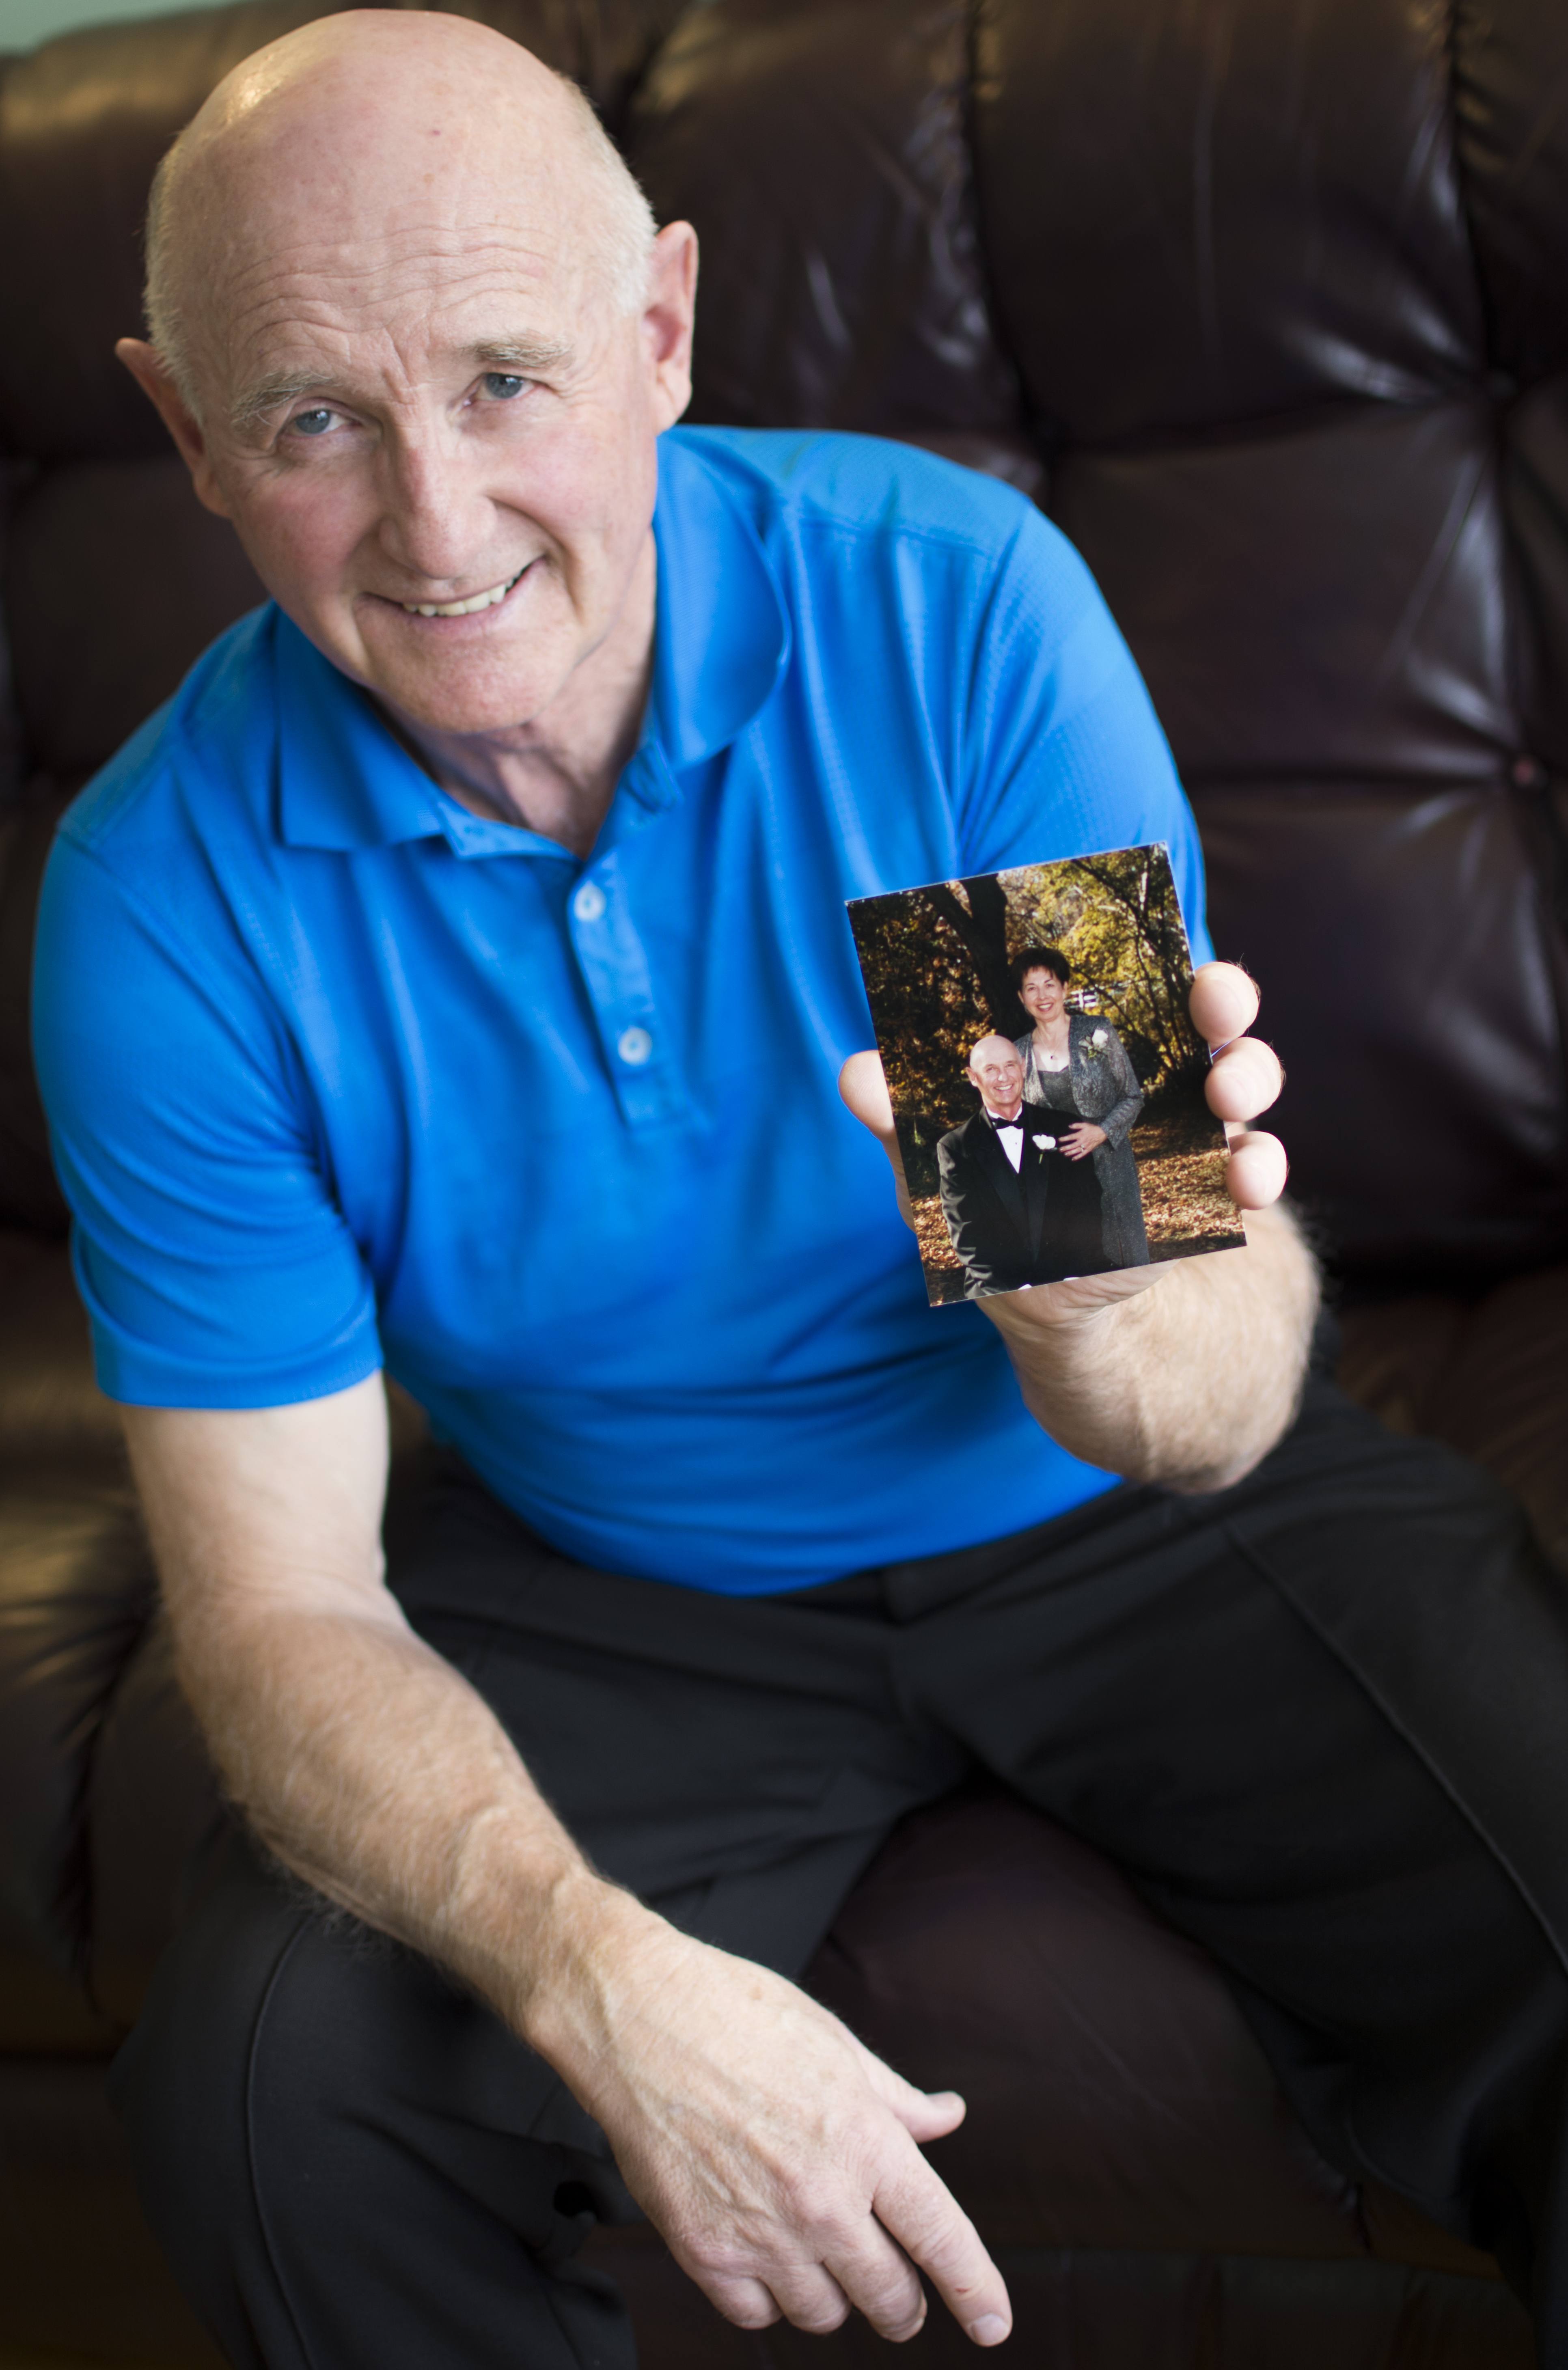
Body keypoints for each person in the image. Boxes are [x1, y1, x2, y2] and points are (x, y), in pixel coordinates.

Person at [28, 13, 1568, 2368]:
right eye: (317, 418)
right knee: (269, 2091)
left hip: (1087, 1494)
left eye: (509, 378)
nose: (440, 530)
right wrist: (597, 1973)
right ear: (188, 436)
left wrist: (1107, 1319)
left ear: (659, 333)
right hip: (606, 1559)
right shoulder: (161, 893)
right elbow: (285, 1610)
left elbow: (1184, 1374)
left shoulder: (933, 615)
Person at [938, 1034, 1112, 1294]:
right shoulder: (956, 1147)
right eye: (991, 1069)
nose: (1004, 1077)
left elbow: (1087, 1210)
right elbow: (969, 1238)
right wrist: (1019, 1292)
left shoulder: (1064, 1127)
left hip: (1072, 1274)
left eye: (1010, 1066)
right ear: (973, 1077)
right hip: (999, 1286)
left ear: (1023, 1067)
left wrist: (1076, 1278)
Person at [1012, 945, 1149, 1269]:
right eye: (1031, 988)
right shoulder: (1017, 1053)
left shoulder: (1097, 1031)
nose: (1042, 995)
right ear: (1021, 997)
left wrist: (1102, 1131)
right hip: (1061, 1181)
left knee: (1126, 1258)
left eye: (1049, 984)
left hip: (1112, 1165)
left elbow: (1133, 1095)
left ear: (1064, 989)